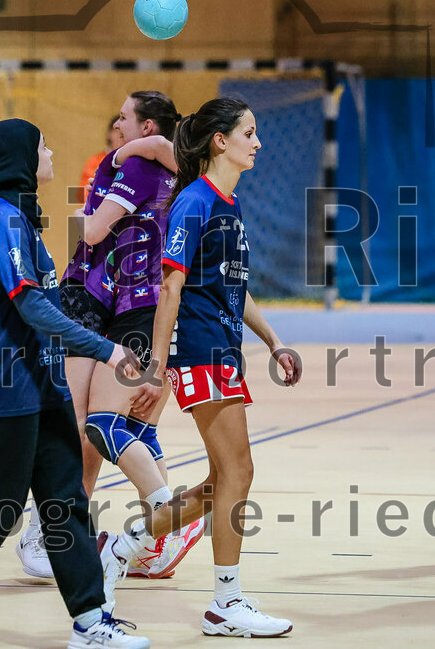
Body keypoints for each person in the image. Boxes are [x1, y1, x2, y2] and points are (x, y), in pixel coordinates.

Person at [0, 118, 149, 649]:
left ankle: (90, 621)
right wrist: (106, 348)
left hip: (43, 385)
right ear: (19, 158)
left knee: (65, 502)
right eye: (43, 146)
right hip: (5, 388)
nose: (51, 153)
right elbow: (31, 306)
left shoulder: (21, 216)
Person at [96, 97, 302, 638]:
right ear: (220, 140)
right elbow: (170, 286)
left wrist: (274, 341)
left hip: (224, 351)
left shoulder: (229, 204)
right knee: (239, 473)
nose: (258, 143)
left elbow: (236, 286)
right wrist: (156, 367)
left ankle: (123, 547)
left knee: (219, 482)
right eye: (249, 133)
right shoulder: (193, 201)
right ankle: (225, 603)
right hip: (201, 351)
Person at [18, 93, 193, 581]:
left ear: (148, 125)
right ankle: (97, 531)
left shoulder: (138, 164)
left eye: (123, 117)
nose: (116, 124)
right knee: (103, 426)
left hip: (108, 296)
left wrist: (118, 161)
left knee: (92, 424)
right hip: (108, 296)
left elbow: (92, 231)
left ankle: (70, 528)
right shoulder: (166, 171)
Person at [77, 117, 124, 204]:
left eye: (123, 131)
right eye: (117, 130)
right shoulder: (95, 161)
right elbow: (82, 195)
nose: (120, 135)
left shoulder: (133, 162)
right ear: (109, 133)